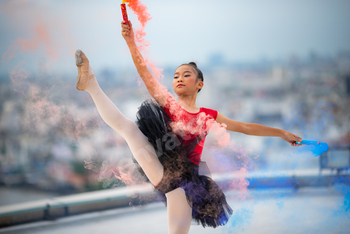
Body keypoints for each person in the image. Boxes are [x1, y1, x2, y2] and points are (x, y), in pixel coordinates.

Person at [74, 19, 302, 234]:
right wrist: (130, 41)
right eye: (176, 76)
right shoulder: (169, 104)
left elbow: (245, 127)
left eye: (186, 75)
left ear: (199, 84)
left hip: (185, 181)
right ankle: (91, 82)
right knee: (128, 129)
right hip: (159, 164)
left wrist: (281, 133)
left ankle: (91, 83)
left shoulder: (208, 115)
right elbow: (144, 72)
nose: (179, 78)